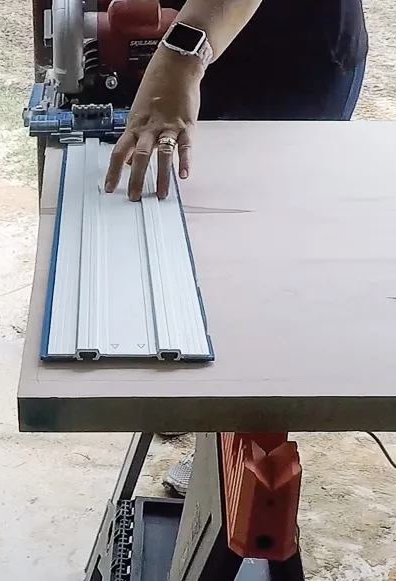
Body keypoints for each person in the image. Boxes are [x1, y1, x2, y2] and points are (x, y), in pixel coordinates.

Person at [103, 0, 368, 495]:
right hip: (202, 38)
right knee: (195, 226)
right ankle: (202, 393)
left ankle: (240, 443)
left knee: (261, 253)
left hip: (294, 50)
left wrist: (181, 53)